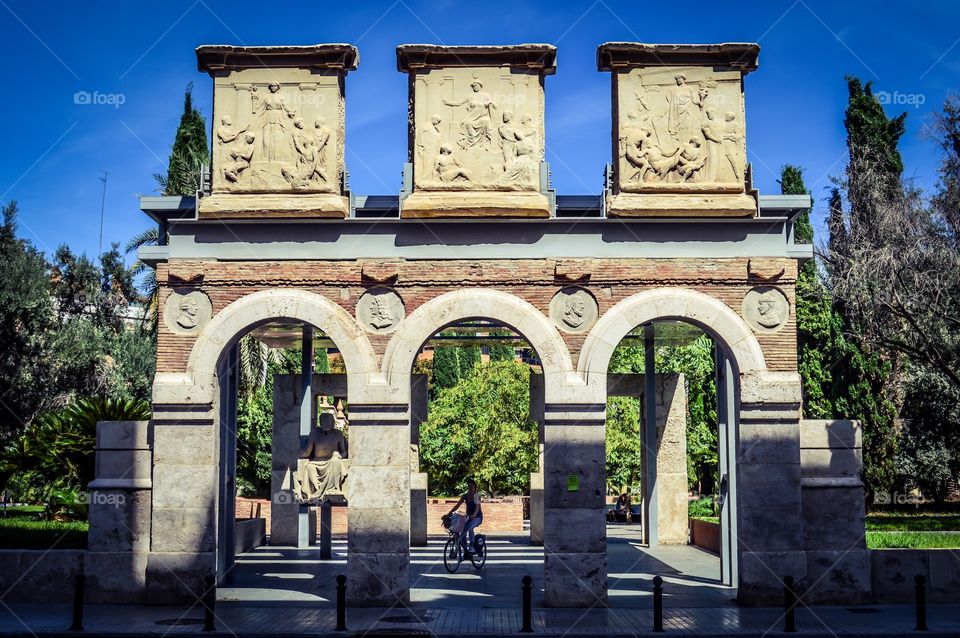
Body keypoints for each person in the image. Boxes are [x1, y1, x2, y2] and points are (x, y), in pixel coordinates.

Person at [447, 479, 483, 553]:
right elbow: (457, 505)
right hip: (468, 517)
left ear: (475, 487)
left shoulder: (476, 495)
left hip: (477, 517)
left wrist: (474, 515)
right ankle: (465, 548)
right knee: (462, 532)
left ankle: (472, 546)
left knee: (470, 527)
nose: (470, 487)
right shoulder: (465, 496)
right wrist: (449, 513)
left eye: (471, 486)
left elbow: (477, 507)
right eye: (469, 486)